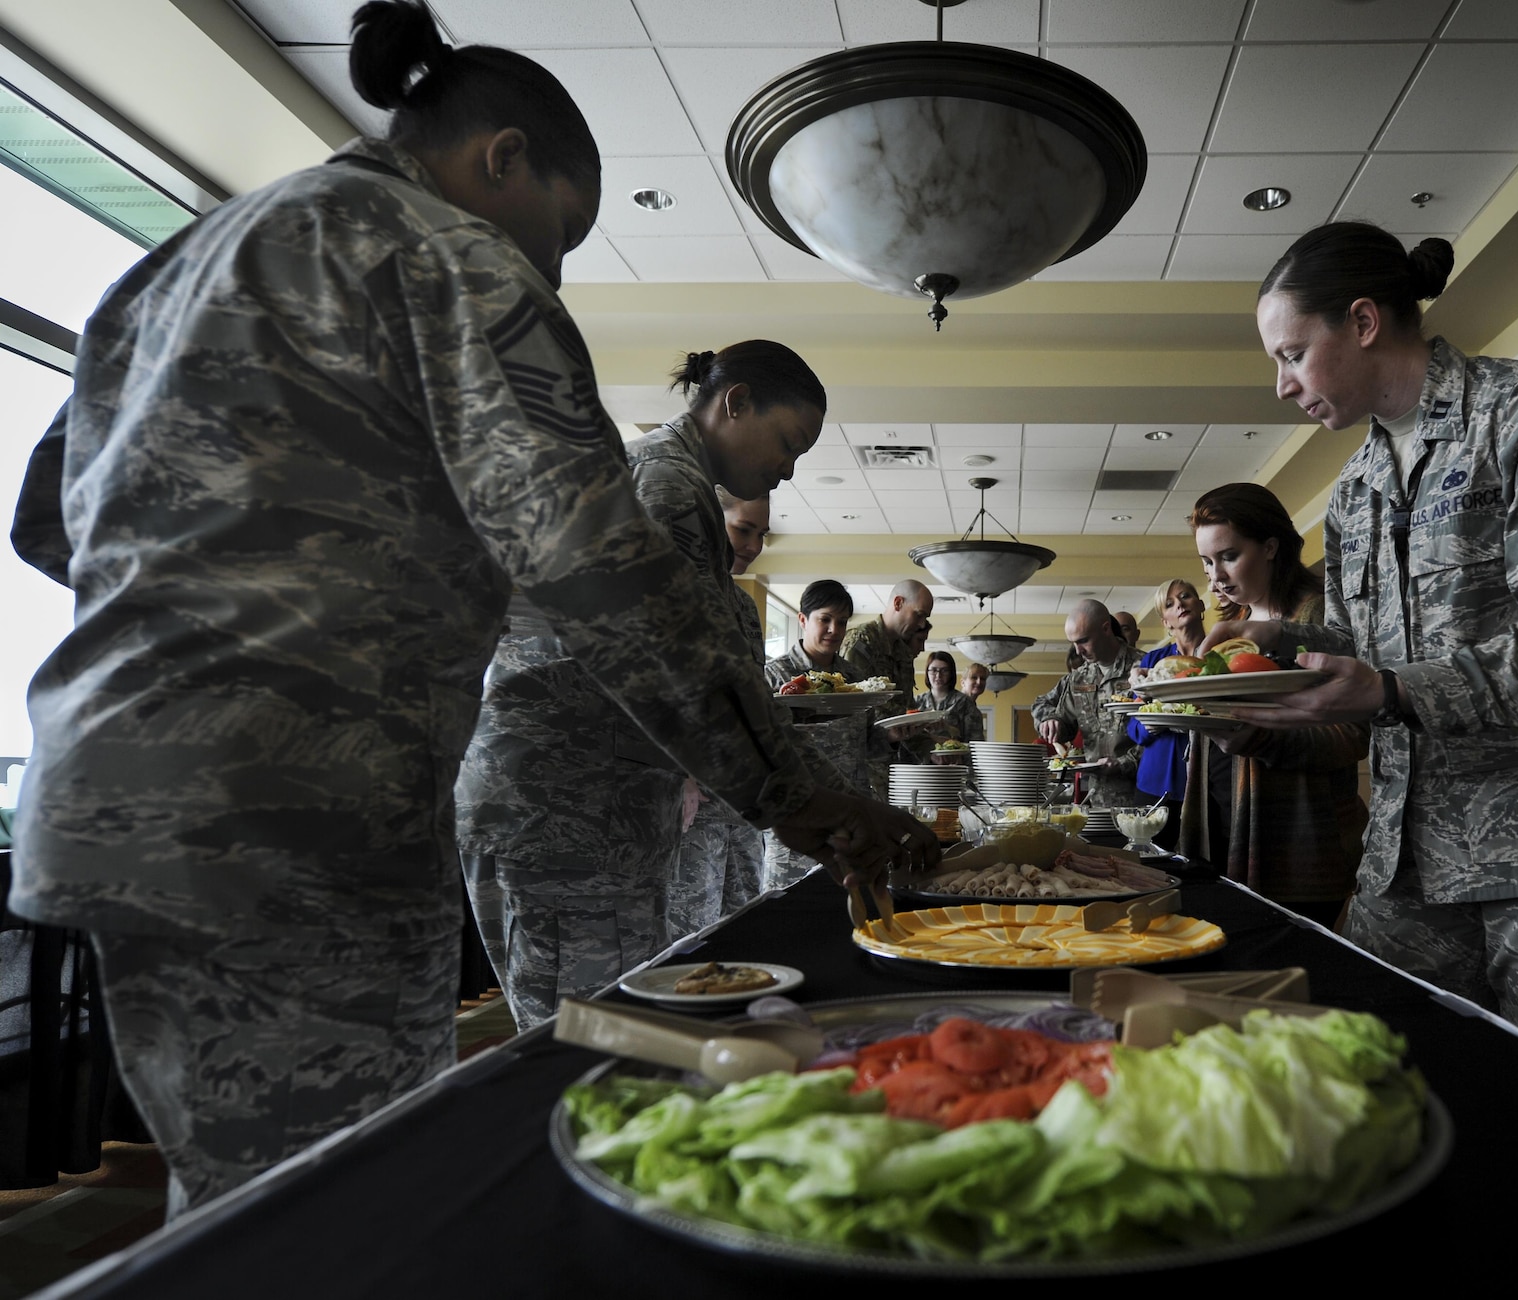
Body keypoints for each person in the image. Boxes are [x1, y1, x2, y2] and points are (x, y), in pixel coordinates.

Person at [4, 2, 930, 1214]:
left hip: (112, 790)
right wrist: (803, 798)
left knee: (242, 1202)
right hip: (299, 802)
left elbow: (47, 519)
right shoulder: (451, 257)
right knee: (336, 1209)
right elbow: (607, 581)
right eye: (563, 229)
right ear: (503, 159)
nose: (555, 265)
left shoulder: (189, 256)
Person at [1208, 221, 1518, 1094]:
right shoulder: (1358, 486)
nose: (1282, 386)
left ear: (1363, 322)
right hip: (1416, 858)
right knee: (1366, 1082)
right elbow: (1375, 656)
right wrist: (1280, 643)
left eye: (1292, 354)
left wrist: (1393, 687)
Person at [458, 343, 848, 1026]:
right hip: (570, 814)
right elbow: (690, 676)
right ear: (736, 402)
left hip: (593, 815)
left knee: (610, 1031)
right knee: (583, 1042)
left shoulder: (675, 481)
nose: (786, 472)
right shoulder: (666, 485)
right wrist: (813, 805)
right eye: (788, 444)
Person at [1178, 485, 1367, 924]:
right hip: (1222, 822)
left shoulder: (1317, 618)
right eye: (1207, 562)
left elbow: (1351, 735)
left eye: (1228, 556)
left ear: (1269, 547)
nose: (1215, 576)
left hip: (1297, 841)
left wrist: (1257, 737)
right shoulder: (1233, 625)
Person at [670, 484, 777, 933]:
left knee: (746, 929)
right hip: (695, 803)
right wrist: (682, 775)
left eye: (762, 534)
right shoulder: (675, 595)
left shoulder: (743, 608)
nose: (753, 546)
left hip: (743, 805)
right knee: (691, 935)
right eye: (743, 530)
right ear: (712, 523)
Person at [764, 580, 872, 887]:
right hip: (795, 822)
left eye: (841, 622)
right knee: (783, 917)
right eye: (824, 619)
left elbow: (870, 744)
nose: (833, 630)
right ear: (802, 620)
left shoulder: (856, 680)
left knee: (845, 917)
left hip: (847, 821)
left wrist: (895, 735)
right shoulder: (774, 676)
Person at [1124, 578, 1207, 853]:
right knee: (1148, 860)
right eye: (1170, 604)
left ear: (1201, 604)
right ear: (1166, 622)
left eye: (1186, 596)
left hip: (1208, 780)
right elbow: (1133, 728)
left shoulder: (1219, 655)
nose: (1180, 604)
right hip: (1155, 782)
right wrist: (1153, 725)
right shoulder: (1151, 662)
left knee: (1203, 861)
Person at [1033, 599, 1142, 807]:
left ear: (1106, 628)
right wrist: (1052, 722)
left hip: (1140, 793)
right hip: (1095, 796)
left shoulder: (1143, 667)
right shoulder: (1079, 678)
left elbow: (1160, 732)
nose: (1078, 650)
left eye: (1083, 641)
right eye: (1073, 643)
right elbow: (1064, 723)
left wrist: (1122, 764)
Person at [840, 579, 936, 797]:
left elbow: (907, 710)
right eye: (919, 614)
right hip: (861, 769)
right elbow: (855, 707)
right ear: (898, 603)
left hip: (890, 768)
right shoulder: (861, 641)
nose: (921, 624)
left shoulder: (903, 652)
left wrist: (931, 751)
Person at [916, 651, 985, 742]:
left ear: (951, 673)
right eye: (933, 670)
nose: (938, 675)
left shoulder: (964, 702)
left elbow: (975, 740)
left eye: (944, 670)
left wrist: (948, 728)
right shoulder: (917, 701)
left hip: (955, 755)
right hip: (921, 755)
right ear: (927, 672)